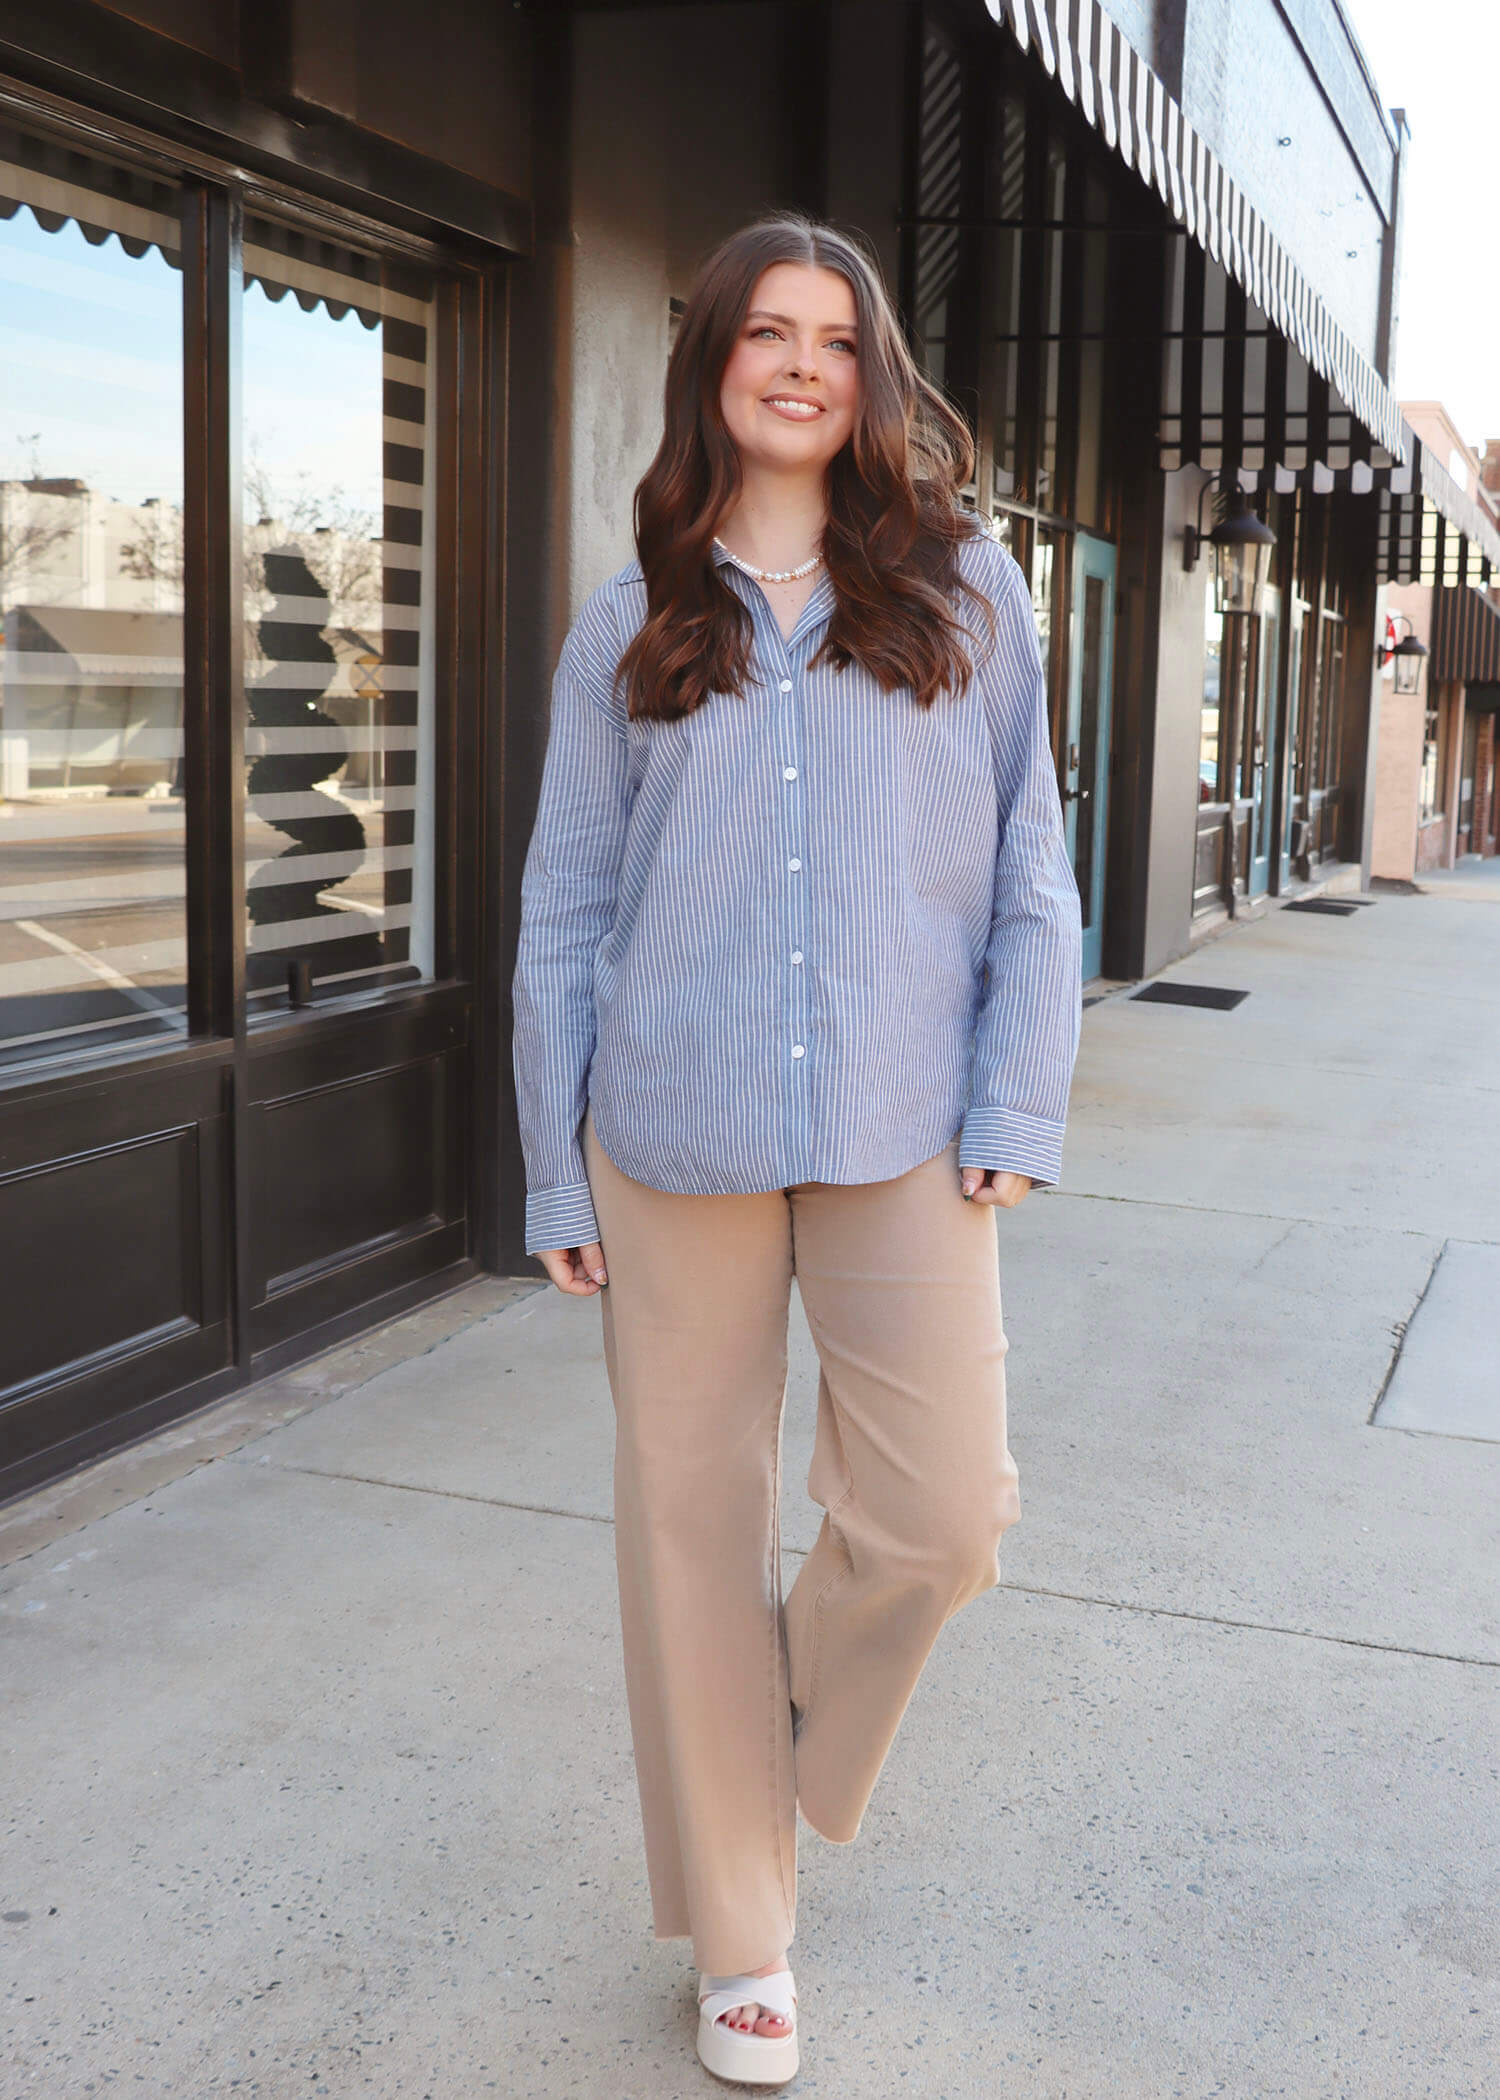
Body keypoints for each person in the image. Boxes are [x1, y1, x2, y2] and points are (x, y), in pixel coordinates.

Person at [511, 212, 1082, 2087]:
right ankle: (743, 1943)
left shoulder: (971, 600)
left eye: (837, 339)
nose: (802, 364)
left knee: (941, 1519)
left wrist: (1016, 1096)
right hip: (668, 1134)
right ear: (716, 367)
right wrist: (547, 1160)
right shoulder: (637, 620)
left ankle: (743, 1739)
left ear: (874, 379)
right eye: (768, 332)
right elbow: (565, 903)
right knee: (687, 1518)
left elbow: (1033, 882)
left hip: (901, 1126)